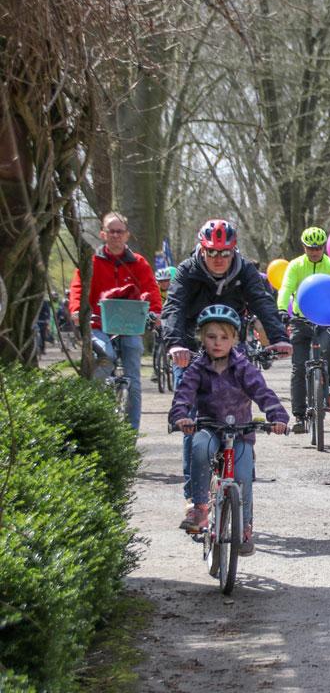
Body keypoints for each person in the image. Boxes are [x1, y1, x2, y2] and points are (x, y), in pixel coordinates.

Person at [161, 219, 290, 516]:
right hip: (192, 349)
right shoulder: (187, 271)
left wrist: (280, 338)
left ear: (234, 251)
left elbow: (263, 303)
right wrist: (175, 345)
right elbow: (174, 308)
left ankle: (242, 472)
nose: (218, 259)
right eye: (212, 252)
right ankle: (195, 497)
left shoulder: (244, 270)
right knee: (192, 419)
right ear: (202, 250)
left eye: (225, 253)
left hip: (231, 346)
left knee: (240, 411)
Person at [171, 305, 288, 557]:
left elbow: (262, 393)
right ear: (201, 337)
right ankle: (200, 507)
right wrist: (181, 416)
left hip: (241, 432)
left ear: (235, 339)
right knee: (199, 448)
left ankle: (244, 527)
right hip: (209, 428)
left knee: (244, 477)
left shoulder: (244, 367)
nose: (217, 343)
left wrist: (277, 417)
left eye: (224, 337)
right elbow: (184, 394)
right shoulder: (197, 367)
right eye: (211, 336)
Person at [68, 212, 162, 431]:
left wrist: (155, 312)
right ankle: (93, 404)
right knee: (104, 355)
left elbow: (151, 290)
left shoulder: (138, 263)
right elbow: (78, 289)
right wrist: (76, 311)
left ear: (127, 235)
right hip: (98, 324)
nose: (116, 235)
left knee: (133, 378)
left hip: (128, 325)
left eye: (120, 231)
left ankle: (130, 434)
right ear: (103, 234)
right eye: (111, 231)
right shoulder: (91, 261)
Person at [277, 226, 330, 428]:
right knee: (298, 368)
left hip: (326, 319)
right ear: (304, 247)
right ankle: (300, 415)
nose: (314, 252)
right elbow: (286, 288)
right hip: (301, 320)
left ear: (323, 247)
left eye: (318, 248)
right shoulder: (295, 265)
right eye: (310, 248)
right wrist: (283, 308)